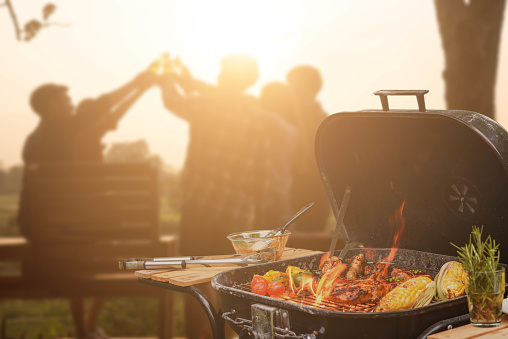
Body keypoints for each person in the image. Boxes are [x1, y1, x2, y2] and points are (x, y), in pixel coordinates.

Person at [159, 54, 294, 339]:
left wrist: (166, 80)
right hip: (235, 217)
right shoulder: (254, 115)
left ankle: (199, 335)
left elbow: (173, 101)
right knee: (225, 280)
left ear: (225, 76)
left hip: (199, 209)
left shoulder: (206, 105)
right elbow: (260, 173)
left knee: (191, 279)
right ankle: (224, 333)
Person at [18, 70, 156, 339]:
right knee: (99, 249)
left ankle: (84, 329)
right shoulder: (62, 127)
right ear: (52, 105)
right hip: (71, 229)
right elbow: (102, 106)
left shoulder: (33, 140)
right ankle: (87, 329)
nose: (71, 103)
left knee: (83, 251)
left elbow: (100, 111)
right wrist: (137, 83)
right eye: (65, 99)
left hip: (40, 229)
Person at [285, 65, 331, 233]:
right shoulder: (322, 118)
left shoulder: (314, 119)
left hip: (307, 193)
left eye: (292, 84)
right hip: (311, 194)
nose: (289, 89)